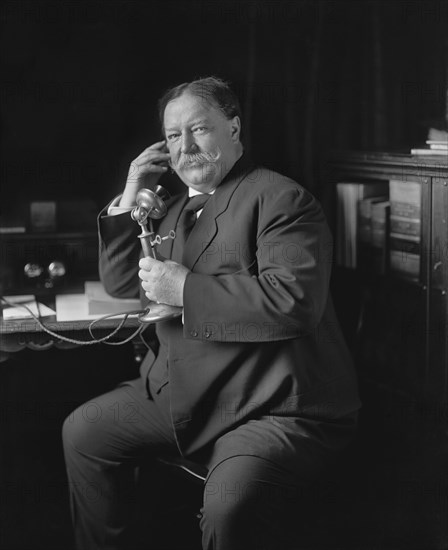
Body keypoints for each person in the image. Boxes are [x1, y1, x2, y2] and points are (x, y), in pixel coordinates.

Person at [62, 76, 361, 550]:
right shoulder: (175, 206)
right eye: (173, 136)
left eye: (199, 129)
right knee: (84, 431)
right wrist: (130, 191)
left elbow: (294, 304)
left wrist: (183, 288)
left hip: (267, 405)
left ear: (235, 130)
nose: (185, 146)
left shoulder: (281, 199)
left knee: (228, 505)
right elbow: (123, 284)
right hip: (184, 392)